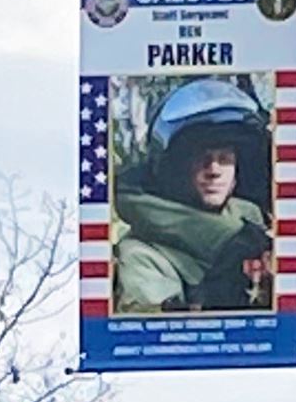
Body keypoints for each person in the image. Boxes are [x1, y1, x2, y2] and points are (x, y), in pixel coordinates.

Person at [113, 78, 273, 313]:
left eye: (225, 158)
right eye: (202, 158)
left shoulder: (258, 231)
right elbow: (160, 332)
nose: (214, 170)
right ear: (176, 168)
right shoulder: (141, 257)